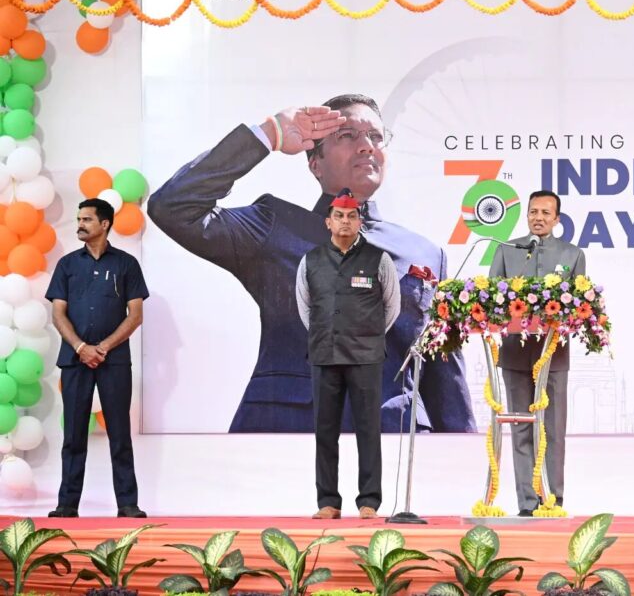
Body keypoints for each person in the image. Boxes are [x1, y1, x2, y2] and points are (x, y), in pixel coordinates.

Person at [148, 94, 475, 433]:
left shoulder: (424, 253)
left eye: (376, 136)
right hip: (290, 435)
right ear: (315, 164)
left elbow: (442, 369)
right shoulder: (273, 228)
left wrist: (463, 450)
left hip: (392, 438)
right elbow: (173, 207)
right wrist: (269, 133)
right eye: (347, 135)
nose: (367, 146)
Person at [297, 190, 399, 520]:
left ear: (360, 222)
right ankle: (328, 501)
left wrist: (366, 334)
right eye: (339, 216)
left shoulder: (379, 259)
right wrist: (327, 332)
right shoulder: (310, 260)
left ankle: (369, 501)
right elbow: (305, 308)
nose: (345, 221)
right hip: (324, 354)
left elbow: (392, 307)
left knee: (368, 431)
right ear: (328, 222)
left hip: (366, 357)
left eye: (352, 216)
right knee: (325, 432)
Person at [45, 198, 149, 518]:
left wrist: (102, 347)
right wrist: (81, 347)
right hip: (74, 360)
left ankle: (128, 504)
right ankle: (67, 504)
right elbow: (58, 314)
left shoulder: (126, 264)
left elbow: (135, 315)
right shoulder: (67, 265)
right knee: (73, 435)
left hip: (113, 362)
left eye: (87, 219)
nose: (80, 224)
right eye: (79, 219)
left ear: (104, 224)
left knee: (119, 434)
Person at [488, 190, 586, 516]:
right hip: (514, 353)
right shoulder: (507, 249)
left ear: (556, 219)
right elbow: (491, 299)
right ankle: (527, 503)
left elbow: (581, 305)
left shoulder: (572, 254)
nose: (538, 218)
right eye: (533, 212)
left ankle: (553, 500)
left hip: (553, 355)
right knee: (521, 429)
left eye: (545, 213)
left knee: (553, 430)